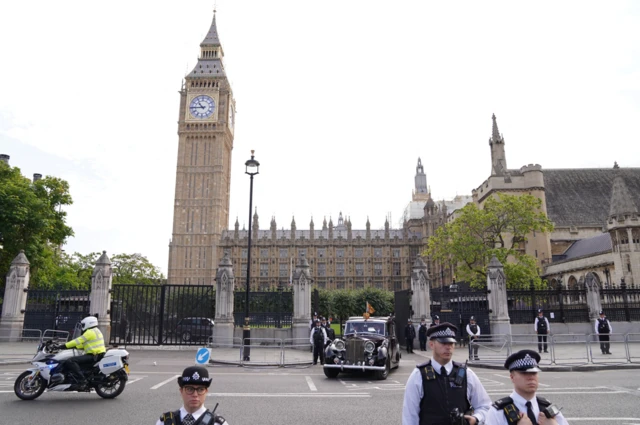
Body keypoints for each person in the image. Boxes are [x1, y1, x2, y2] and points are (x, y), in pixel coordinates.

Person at [402, 322, 491, 425]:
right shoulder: (418, 376)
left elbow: (485, 406)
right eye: (443, 343)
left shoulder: (466, 374)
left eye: (451, 343)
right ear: (431, 344)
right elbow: (409, 417)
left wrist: (476, 418)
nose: (448, 347)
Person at [487, 350, 569, 425]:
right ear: (512, 377)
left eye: (534, 373)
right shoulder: (498, 411)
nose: (531, 377)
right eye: (524, 373)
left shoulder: (547, 408)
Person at [156, 366, 228, 425]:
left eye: (200, 389)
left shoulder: (217, 423)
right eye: (190, 389)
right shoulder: (164, 422)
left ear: (206, 392)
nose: (195, 395)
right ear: (181, 391)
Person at [58, 316, 106, 387]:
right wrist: (73, 347)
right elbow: (85, 344)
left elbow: (78, 341)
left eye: (83, 324)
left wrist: (63, 346)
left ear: (88, 323)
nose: (82, 327)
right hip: (98, 355)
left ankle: (82, 380)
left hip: (93, 356)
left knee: (70, 361)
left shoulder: (89, 332)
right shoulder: (97, 331)